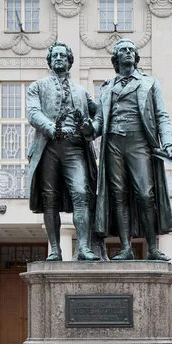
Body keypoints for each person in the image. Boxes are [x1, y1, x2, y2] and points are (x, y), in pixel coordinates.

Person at [92, 38, 172, 261]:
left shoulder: (149, 83)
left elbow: (162, 116)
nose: (128, 53)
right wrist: (86, 127)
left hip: (139, 143)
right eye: (123, 50)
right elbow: (98, 123)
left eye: (131, 50)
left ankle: (152, 247)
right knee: (119, 195)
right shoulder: (107, 87)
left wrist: (168, 144)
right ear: (116, 58)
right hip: (113, 143)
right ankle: (126, 248)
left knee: (145, 194)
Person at [27, 41, 100, 261]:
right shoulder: (37, 86)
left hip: (75, 149)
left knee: (81, 193)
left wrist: (91, 128)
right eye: (55, 55)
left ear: (70, 61)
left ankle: (84, 248)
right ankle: (55, 249)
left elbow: (98, 117)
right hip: (49, 147)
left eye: (63, 55)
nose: (59, 58)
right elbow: (32, 112)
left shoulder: (82, 91)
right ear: (49, 60)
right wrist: (51, 128)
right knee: (50, 199)